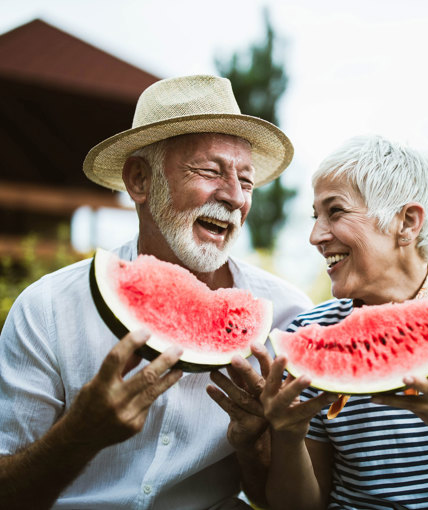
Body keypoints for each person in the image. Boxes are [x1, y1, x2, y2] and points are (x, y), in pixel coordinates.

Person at [0, 74, 313, 509]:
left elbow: (281, 500)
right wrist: (77, 437)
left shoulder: (286, 317)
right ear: (140, 181)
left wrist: (253, 445)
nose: (235, 197)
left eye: (247, 180)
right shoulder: (48, 309)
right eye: (210, 171)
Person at [212, 135, 428, 510]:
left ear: (408, 222)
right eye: (315, 216)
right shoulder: (308, 333)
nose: (315, 235)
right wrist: (286, 434)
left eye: (335, 212)